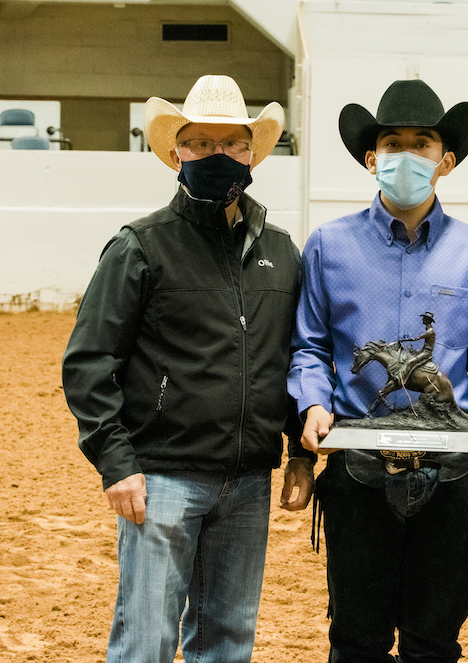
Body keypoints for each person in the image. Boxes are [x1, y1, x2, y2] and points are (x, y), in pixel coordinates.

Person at [62, 75, 315, 663]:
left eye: (230, 144)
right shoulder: (141, 247)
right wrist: (116, 462)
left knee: (228, 640)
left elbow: (296, 356)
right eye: (201, 143)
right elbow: (89, 361)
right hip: (161, 479)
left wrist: (298, 452)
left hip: (249, 481)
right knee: (146, 640)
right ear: (177, 151)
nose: (216, 155)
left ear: (252, 154)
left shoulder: (280, 253)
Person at [288, 79, 468, 663]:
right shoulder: (326, 247)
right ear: (372, 158)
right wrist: (314, 404)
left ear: (445, 161)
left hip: (448, 473)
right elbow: (310, 347)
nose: (406, 155)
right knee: (355, 640)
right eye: (393, 142)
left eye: (423, 144)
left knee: (434, 642)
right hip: (356, 471)